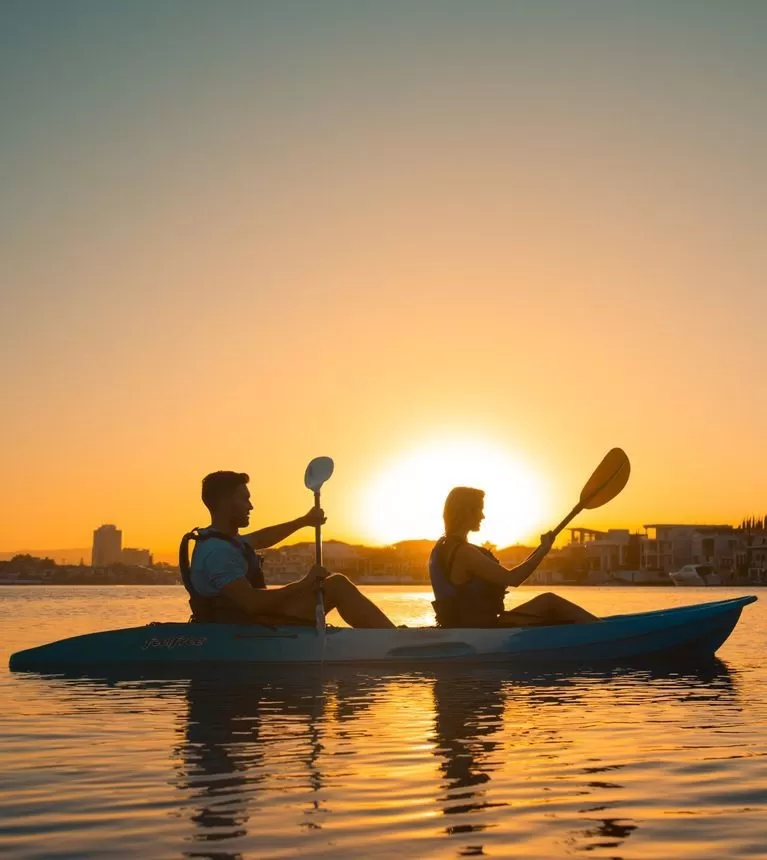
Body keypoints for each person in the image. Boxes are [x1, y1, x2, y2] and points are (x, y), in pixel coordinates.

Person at [179, 470, 394, 628]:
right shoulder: (218, 552)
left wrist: (304, 521)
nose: (251, 506)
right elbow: (252, 604)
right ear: (225, 502)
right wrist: (305, 584)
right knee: (337, 585)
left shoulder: (226, 541)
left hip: (258, 616)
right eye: (244, 499)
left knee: (335, 583)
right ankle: (391, 639)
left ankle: (386, 635)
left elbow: (262, 538)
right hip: (254, 621)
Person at [429, 486, 600, 628]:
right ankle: (602, 632)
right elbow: (513, 578)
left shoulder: (443, 548)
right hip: (483, 631)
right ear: (467, 512)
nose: (483, 516)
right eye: (480, 510)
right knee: (549, 602)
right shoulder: (465, 553)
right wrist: (543, 550)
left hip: (465, 628)